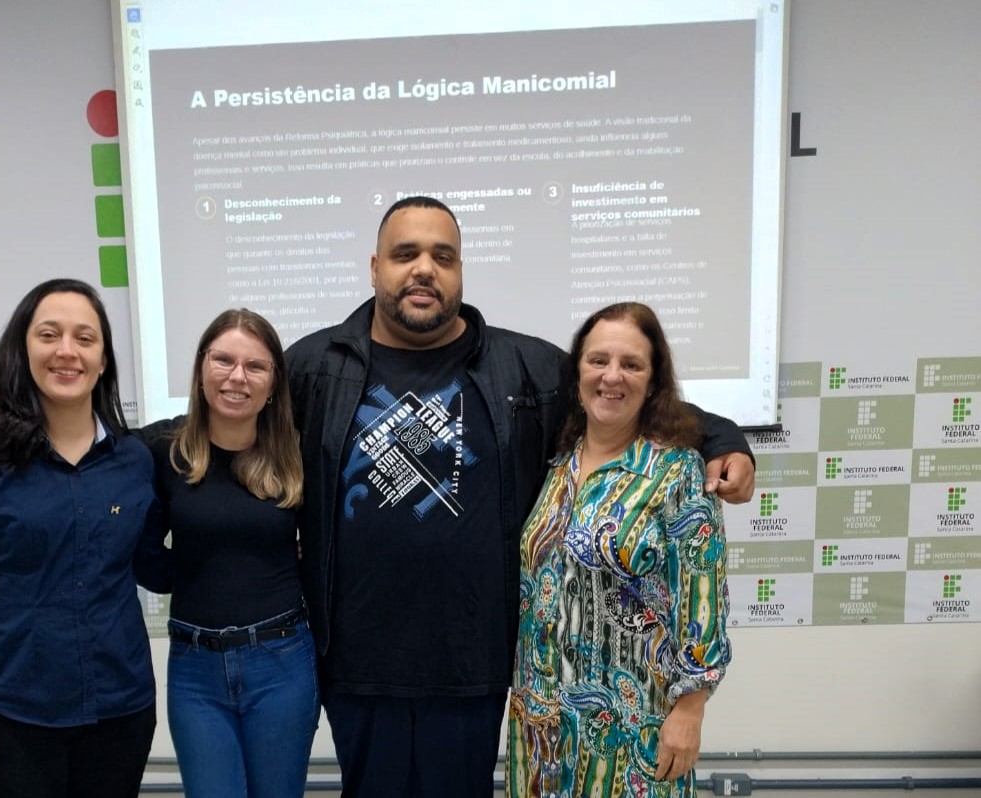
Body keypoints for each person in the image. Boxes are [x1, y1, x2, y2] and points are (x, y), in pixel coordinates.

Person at [284, 196, 754, 798]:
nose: (424, 268)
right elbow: (232, 426)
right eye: (406, 254)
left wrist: (726, 439)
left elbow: (630, 397)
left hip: (474, 663)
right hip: (356, 663)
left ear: (460, 272)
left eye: (443, 256)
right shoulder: (314, 366)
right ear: (375, 267)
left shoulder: (521, 366)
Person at [0, 278, 163, 798]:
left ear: (103, 360)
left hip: (121, 708)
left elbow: (150, 567)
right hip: (15, 714)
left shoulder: (133, 460)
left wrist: (247, 552)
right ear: (22, 348)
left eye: (85, 338)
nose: (66, 351)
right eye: (49, 334)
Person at [507, 301, 731, 797]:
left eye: (631, 364)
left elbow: (704, 604)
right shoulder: (555, 465)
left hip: (634, 729)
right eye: (598, 361)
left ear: (653, 382)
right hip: (540, 724)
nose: (612, 376)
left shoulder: (677, 473)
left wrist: (690, 711)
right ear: (577, 374)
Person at [136, 309, 317, 798]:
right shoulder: (161, 450)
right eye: (223, 360)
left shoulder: (298, 455)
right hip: (195, 671)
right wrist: (203, 567)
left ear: (274, 383)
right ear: (200, 369)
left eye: (255, 366)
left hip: (281, 663)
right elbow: (148, 559)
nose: (237, 377)